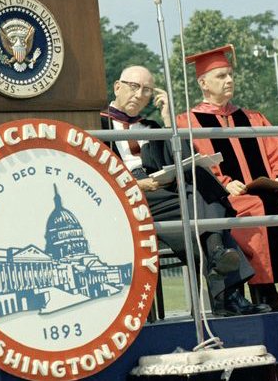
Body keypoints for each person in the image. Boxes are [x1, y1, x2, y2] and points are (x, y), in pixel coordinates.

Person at [175, 45, 278, 310]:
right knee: (256, 210)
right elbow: (199, 166)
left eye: (230, 74)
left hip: (267, 192)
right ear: (203, 83)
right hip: (232, 198)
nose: (229, 80)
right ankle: (265, 292)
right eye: (220, 76)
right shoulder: (189, 122)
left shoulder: (252, 118)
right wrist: (225, 183)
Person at [101, 66, 268, 316]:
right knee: (209, 223)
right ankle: (228, 295)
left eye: (147, 90)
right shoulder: (97, 124)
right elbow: (97, 173)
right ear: (118, 87)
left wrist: (169, 120)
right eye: (134, 87)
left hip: (162, 191)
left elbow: (183, 159)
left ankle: (217, 255)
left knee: (199, 176)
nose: (139, 94)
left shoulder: (152, 126)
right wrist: (134, 185)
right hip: (125, 195)